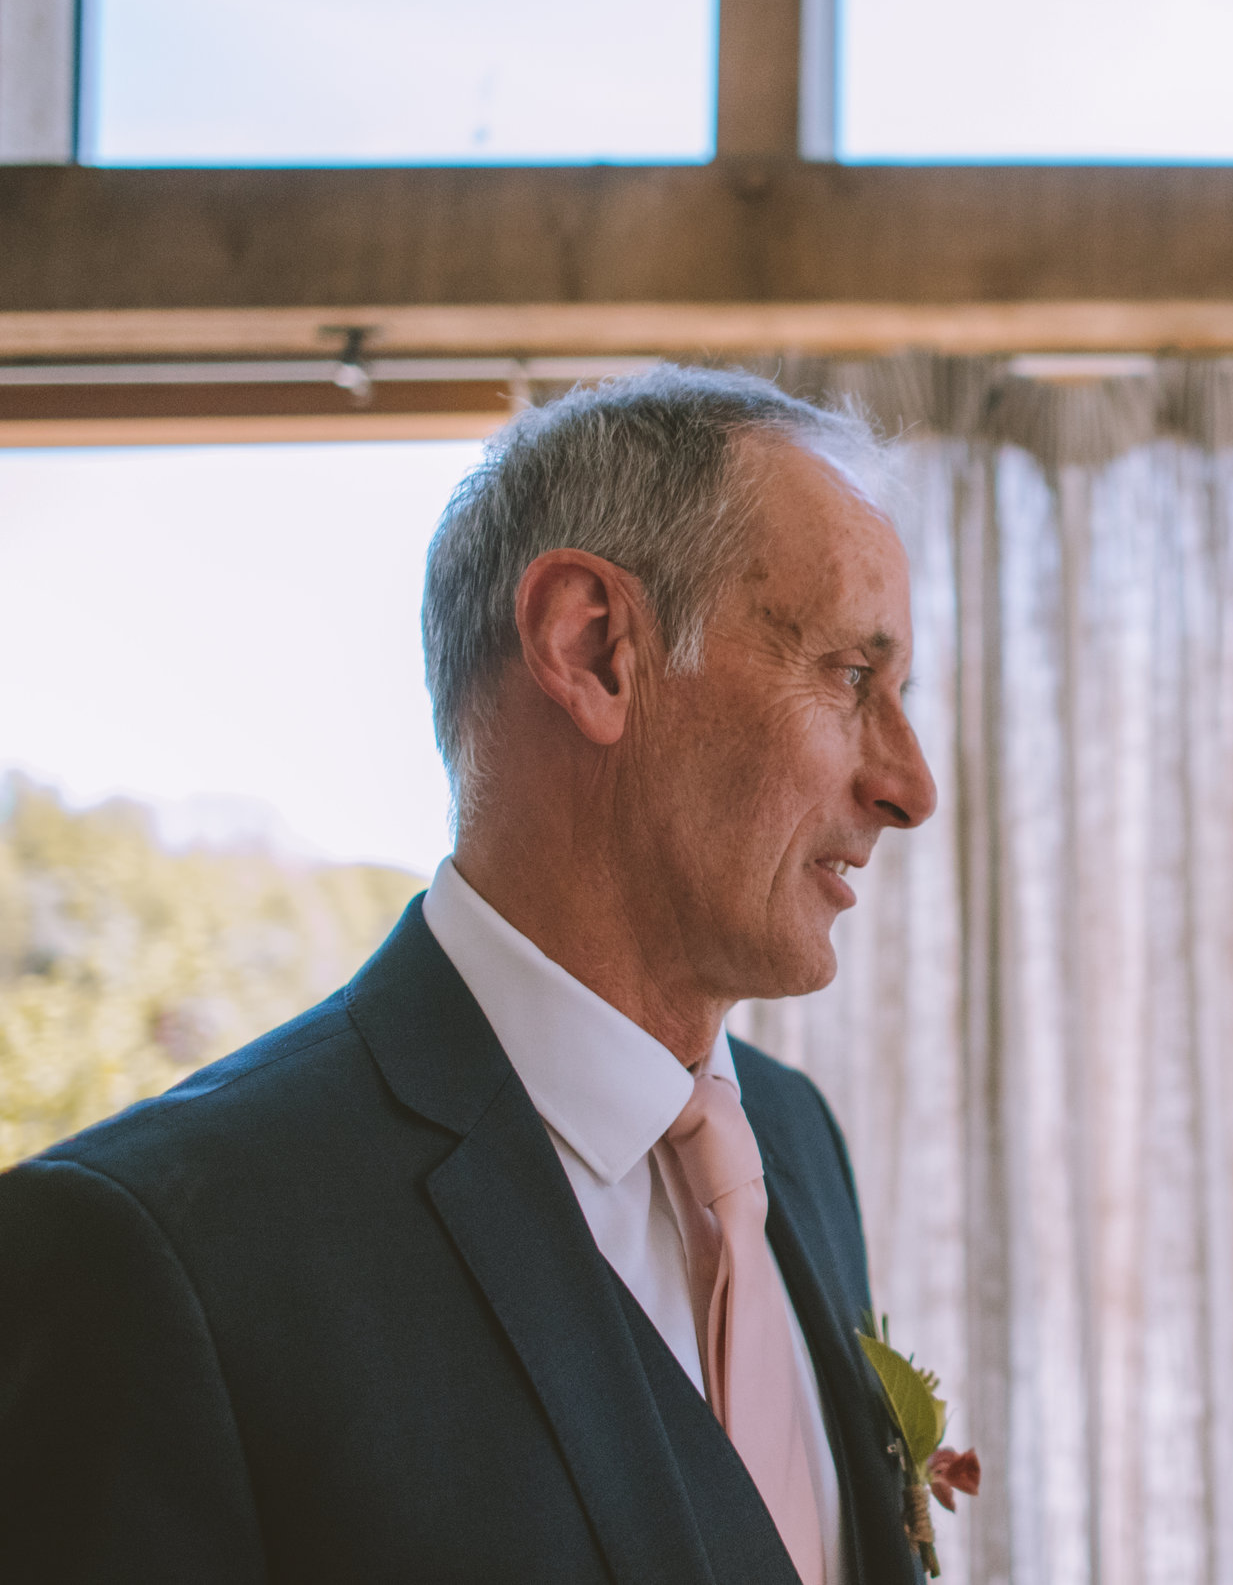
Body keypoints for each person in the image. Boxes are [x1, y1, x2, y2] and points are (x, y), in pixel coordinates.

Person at [0, 367, 949, 1584]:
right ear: (596, 648)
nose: (909, 786)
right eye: (849, 677)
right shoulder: (146, 1261)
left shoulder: (799, 1147)